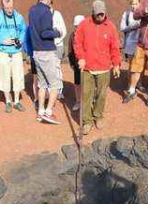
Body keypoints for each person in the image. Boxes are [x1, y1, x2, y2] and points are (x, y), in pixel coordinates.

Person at [74, 0, 122, 135]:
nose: (100, 17)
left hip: (104, 67)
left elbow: (115, 48)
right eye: (97, 15)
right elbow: (77, 42)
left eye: (102, 14)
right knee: (86, 94)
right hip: (87, 67)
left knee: (101, 95)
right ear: (92, 13)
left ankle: (98, 116)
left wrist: (116, 64)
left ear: (105, 12)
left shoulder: (111, 27)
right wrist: (81, 57)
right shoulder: (84, 25)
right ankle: (87, 121)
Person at [0, 0, 27, 113]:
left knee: (18, 76)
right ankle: (8, 101)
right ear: (2, 6)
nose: (10, 10)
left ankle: (17, 101)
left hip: (16, 52)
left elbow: (23, 30)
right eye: (7, 8)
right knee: (4, 76)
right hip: (3, 52)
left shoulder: (19, 17)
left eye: (11, 7)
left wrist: (20, 40)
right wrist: (2, 41)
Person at [29, 0, 62, 125]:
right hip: (47, 52)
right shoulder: (46, 11)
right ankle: (48, 113)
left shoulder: (32, 10)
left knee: (42, 84)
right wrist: (57, 32)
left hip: (36, 52)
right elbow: (45, 33)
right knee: (55, 84)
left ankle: (41, 111)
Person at [50, 1, 67, 100]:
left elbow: (63, 31)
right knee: (49, 70)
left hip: (57, 46)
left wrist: (56, 41)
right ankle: (51, 91)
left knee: (57, 68)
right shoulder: (44, 15)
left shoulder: (57, 14)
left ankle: (59, 91)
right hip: (47, 46)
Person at [68, 15, 85, 111]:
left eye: (79, 25)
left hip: (87, 64)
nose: (77, 27)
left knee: (87, 83)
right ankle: (78, 101)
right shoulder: (72, 35)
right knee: (77, 83)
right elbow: (70, 49)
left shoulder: (88, 34)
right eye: (76, 26)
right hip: (76, 64)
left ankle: (87, 101)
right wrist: (71, 63)